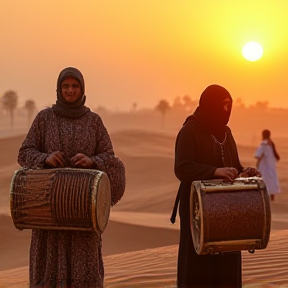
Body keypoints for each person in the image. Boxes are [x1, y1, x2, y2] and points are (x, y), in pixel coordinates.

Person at [18, 67, 125, 288]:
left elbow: (111, 159)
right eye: (65, 86)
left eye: (75, 86)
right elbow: (24, 153)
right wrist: (45, 158)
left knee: (83, 271)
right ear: (58, 89)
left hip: (84, 213)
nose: (70, 90)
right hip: (49, 212)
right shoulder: (44, 119)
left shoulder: (93, 121)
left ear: (82, 89)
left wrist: (92, 161)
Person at [171, 84, 260, 288]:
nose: (226, 111)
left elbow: (234, 166)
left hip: (227, 211)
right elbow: (182, 168)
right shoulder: (189, 131)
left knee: (227, 263)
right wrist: (214, 171)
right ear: (209, 104)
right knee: (198, 265)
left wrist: (244, 172)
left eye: (229, 106)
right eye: (222, 105)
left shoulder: (226, 133)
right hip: (197, 210)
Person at [255, 129, 280, 201]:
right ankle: (272, 196)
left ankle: (265, 196)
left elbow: (257, 155)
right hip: (271, 164)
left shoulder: (264, 144)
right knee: (272, 178)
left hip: (264, 165)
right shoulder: (271, 143)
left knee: (264, 179)